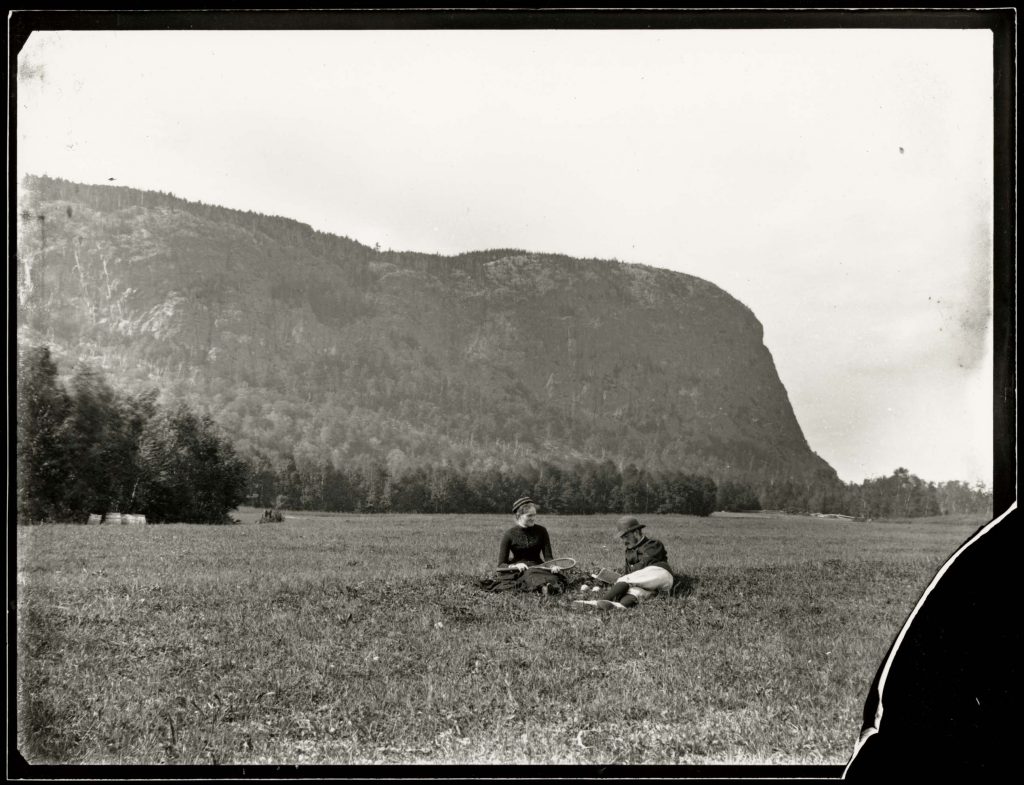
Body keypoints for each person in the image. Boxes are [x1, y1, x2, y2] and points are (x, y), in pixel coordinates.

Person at [582, 515, 674, 609]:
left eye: (626, 536)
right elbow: (631, 572)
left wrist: (621, 579)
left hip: (661, 574)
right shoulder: (629, 551)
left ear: (636, 533)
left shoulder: (652, 544)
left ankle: (598, 602)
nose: (624, 540)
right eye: (622, 537)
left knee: (625, 580)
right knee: (634, 591)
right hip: (657, 587)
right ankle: (620, 606)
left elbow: (645, 564)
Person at [496, 496, 560, 574]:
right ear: (519, 516)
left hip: (538, 569)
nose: (533, 518)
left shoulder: (541, 531)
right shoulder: (509, 534)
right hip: (518, 571)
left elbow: (548, 557)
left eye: (534, 515)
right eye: (529, 515)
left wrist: (552, 566)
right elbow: (501, 565)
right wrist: (514, 566)